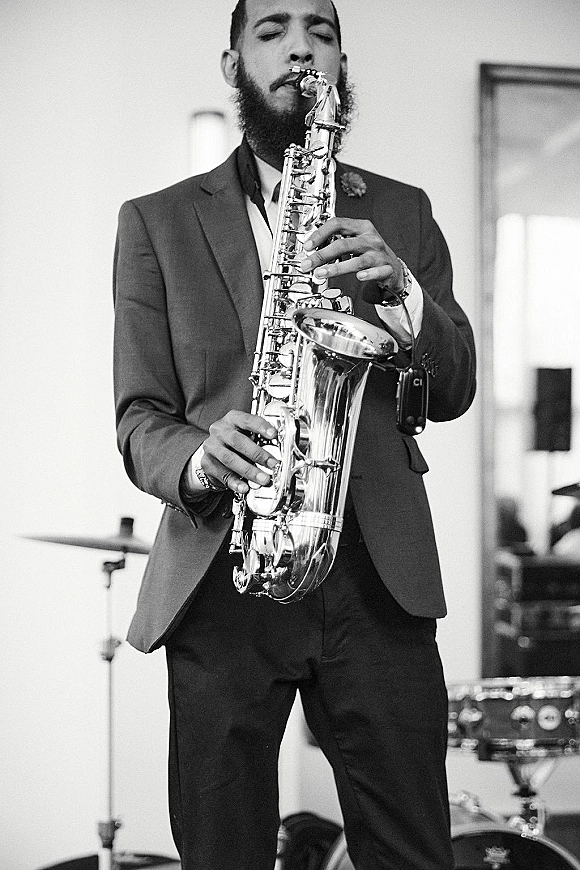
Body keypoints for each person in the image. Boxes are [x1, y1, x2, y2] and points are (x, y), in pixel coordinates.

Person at [113, 1, 476, 868]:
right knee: (223, 849)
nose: (300, 47)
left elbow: (455, 384)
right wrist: (201, 457)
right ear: (233, 61)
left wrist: (402, 295)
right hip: (224, 570)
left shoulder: (402, 211)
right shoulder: (155, 221)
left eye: (320, 29)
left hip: (375, 578)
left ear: (342, 58)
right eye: (271, 31)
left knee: (412, 850)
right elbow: (138, 418)